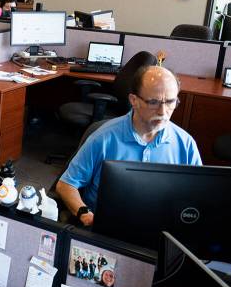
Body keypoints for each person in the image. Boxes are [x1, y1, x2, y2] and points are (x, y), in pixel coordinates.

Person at [55, 65, 202, 227]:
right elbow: (66, 184)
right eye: (153, 102)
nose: (163, 111)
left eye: (170, 102)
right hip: (107, 227)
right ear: (134, 100)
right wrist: (85, 214)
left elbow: (197, 196)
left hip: (160, 228)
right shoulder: (104, 137)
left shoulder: (185, 143)